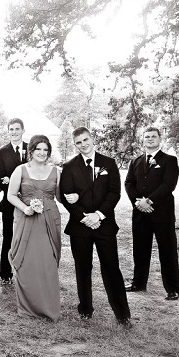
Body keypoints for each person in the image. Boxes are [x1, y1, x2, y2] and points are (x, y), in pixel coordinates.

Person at [59, 127, 132, 326]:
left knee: (111, 269)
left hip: (104, 225)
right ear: (75, 145)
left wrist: (98, 215)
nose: (83, 145)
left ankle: (122, 314)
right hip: (80, 227)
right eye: (79, 142)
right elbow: (66, 197)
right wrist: (84, 217)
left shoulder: (108, 163)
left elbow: (114, 193)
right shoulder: (69, 166)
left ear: (92, 139)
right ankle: (85, 309)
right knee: (82, 268)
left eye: (85, 140)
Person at [6, 135, 62, 321]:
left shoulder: (56, 171)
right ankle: (29, 306)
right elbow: (11, 195)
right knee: (27, 262)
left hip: (49, 220)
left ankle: (48, 307)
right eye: (38, 149)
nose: (42, 153)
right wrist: (25, 208)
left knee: (48, 262)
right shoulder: (20, 170)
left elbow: (61, 197)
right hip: (26, 219)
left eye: (45, 150)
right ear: (31, 150)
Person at [124, 127, 179, 300]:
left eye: (153, 136)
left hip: (162, 213)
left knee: (167, 250)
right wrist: (138, 202)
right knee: (140, 249)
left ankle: (172, 288)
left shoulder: (169, 160)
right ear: (143, 140)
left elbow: (168, 185)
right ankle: (138, 283)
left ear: (159, 139)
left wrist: (148, 201)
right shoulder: (135, 161)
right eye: (147, 136)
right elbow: (129, 183)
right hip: (141, 213)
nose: (150, 139)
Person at [0, 118, 26, 285]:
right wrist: (8, 182)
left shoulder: (31, 148)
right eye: (11, 129)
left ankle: (26, 272)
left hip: (29, 201)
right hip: (9, 202)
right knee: (9, 237)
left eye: (17, 129)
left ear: (23, 130)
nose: (14, 132)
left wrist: (14, 180)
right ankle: (5, 273)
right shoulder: (1, 152)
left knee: (27, 237)